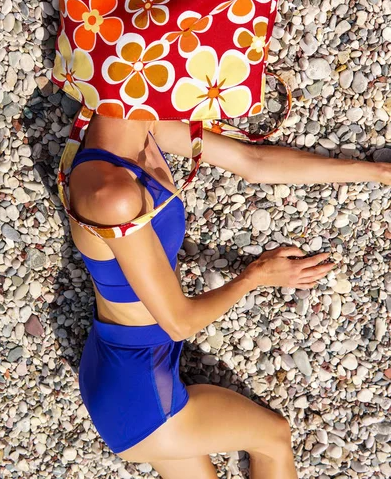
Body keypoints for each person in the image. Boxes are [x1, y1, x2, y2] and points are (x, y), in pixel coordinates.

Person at [66, 111, 390, 479]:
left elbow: (254, 163)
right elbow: (178, 322)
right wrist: (257, 275)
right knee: (273, 437)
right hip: (140, 391)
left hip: (118, 363)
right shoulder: (113, 196)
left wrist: (378, 173)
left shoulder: (135, 126)